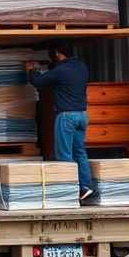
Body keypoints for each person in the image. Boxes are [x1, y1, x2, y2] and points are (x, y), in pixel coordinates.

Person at [27, 41, 94, 201]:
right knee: (80, 152)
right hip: (82, 115)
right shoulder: (82, 67)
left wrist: (31, 70)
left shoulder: (60, 71)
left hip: (66, 117)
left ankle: (70, 191)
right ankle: (86, 187)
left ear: (57, 53)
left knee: (64, 154)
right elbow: (59, 74)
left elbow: (39, 82)